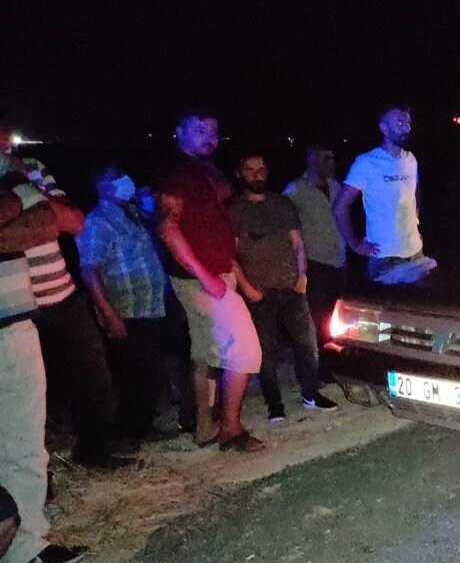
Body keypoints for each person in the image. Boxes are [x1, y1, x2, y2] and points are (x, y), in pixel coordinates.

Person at [0, 119, 129, 469]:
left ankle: (94, 452)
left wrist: (25, 187)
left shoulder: (33, 168)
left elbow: (73, 221)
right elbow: (39, 225)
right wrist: (37, 215)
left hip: (61, 295)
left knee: (93, 379)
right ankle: (31, 478)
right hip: (12, 309)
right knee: (23, 397)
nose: (6, 145)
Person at [152, 110, 264, 452]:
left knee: (205, 352)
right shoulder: (175, 170)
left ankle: (203, 427)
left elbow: (216, 203)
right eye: (200, 129)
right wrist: (206, 277)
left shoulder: (200, 169)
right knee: (246, 351)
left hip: (214, 273)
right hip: (201, 279)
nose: (210, 136)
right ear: (179, 131)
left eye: (214, 131)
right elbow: (167, 228)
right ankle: (231, 429)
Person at [0, 155, 85, 563]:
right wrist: (19, 199)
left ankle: (23, 543)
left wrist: (14, 204)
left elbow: (50, 223)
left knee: (23, 440)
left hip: (14, 319)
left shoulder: (9, 166)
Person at [229, 153, 338, 422]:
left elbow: (298, 243)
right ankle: (274, 404)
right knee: (266, 351)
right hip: (259, 291)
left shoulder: (282, 203)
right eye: (250, 169)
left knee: (308, 344)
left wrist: (302, 276)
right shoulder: (234, 210)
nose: (257, 174)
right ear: (239, 174)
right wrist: (247, 289)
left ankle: (311, 393)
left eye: (261, 169)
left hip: (292, 287)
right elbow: (230, 255)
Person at [76, 161, 173, 449]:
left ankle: (141, 426)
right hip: (127, 309)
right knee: (133, 374)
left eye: (122, 173)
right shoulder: (97, 221)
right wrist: (108, 313)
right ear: (101, 186)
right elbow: (89, 270)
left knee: (152, 369)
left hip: (151, 305)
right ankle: (123, 434)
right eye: (116, 176)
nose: (125, 179)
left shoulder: (132, 213)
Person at [332, 104, 436, 285]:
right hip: (384, 257)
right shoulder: (367, 163)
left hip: (415, 251)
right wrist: (355, 244)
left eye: (408, 123)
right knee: (391, 304)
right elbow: (340, 206)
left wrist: (415, 219)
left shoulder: (411, 159)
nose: (406, 128)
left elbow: (414, 191)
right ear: (384, 128)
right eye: (399, 123)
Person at [283, 144, 345, 375]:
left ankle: (329, 366)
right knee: (313, 321)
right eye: (326, 158)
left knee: (334, 320)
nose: (332, 163)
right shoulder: (295, 191)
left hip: (338, 261)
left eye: (332, 158)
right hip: (314, 263)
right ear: (312, 159)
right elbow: (285, 228)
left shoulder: (336, 186)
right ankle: (309, 371)